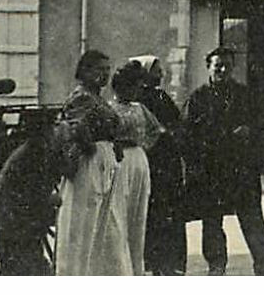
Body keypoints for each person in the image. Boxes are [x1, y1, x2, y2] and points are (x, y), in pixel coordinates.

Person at [184, 46, 264, 276]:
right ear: (208, 67)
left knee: (253, 217)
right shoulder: (198, 98)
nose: (223, 69)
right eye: (218, 65)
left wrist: (249, 132)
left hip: (242, 168)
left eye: (228, 66)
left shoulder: (244, 95)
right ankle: (216, 266)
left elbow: (262, 127)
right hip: (212, 169)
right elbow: (189, 135)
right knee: (212, 220)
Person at [54, 50, 131, 276]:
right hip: (89, 164)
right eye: (99, 70)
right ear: (84, 71)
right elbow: (75, 128)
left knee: (107, 225)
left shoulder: (98, 99)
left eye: (107, 70)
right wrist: (91, 147)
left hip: (104, 163)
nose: (104, 75)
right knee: (83, 221)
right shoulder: (81, 97)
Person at [130, 55, 187, 276]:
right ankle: (154, 261)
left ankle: (168, 263)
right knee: (153, 212)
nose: (161, 74)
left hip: (167, 161)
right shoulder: (139, 99)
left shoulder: (161, 96)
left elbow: (176, 122)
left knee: (168, 211)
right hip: (151, 159)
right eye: (156, 70)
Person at [108, 62, 163, 276]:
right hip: (118, 161)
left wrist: (144, 145)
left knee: (137, 214)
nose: (134, 91)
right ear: (118, 87)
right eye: (130, 87)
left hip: (138, 161)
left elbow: (156, 130)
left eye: (137, 87)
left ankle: (134, 268)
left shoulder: (140, 108)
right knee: (118, 214)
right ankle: (119, 267)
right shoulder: (109, 108)